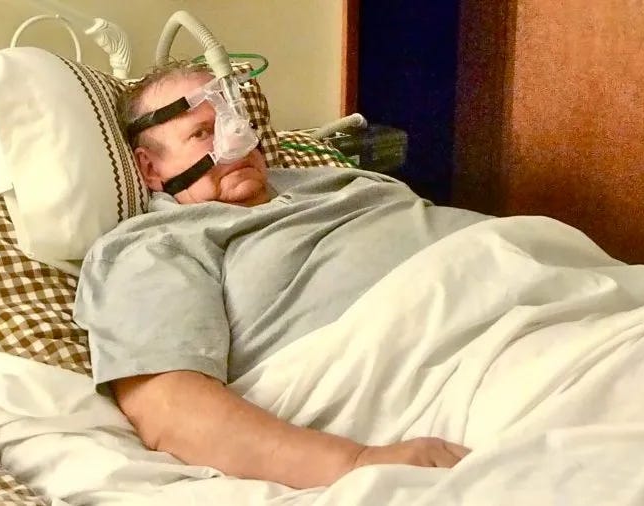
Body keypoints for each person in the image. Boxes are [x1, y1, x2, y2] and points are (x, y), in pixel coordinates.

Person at [73, 61, 487, 490]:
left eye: (235, 119)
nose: (234, 140)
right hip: (451, 363)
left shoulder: (337, 182)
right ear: (151, 169)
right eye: (202, 132)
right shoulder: (156, 245)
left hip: (507, 274)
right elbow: (170, 409)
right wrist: (359, 462)